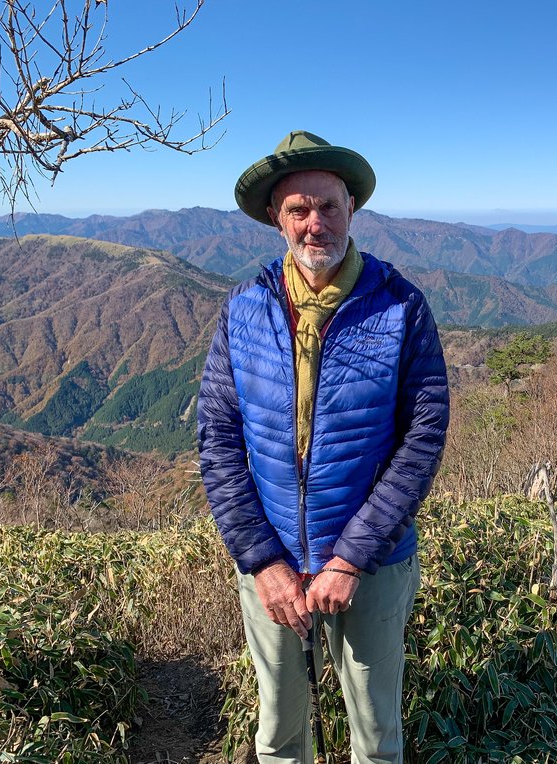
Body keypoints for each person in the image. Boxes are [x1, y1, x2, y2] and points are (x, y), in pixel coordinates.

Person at [197, 130, 449, 764]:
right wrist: (262, 561)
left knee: (375, 739)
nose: (315, 223)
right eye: (298, 210)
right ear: (276, 221)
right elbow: (219, 440)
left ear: (352, 209)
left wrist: (351, 558)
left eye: (328, 206)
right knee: (279, 736)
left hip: (373, 565)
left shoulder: (399, 306)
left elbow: (423, 438)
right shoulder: (244, 308)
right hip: (273, 564)